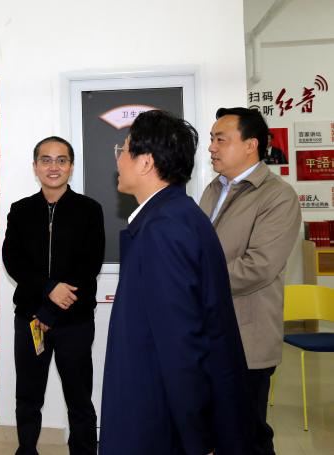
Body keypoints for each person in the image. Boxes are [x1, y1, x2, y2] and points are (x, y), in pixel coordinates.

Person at [100, 110, 252, 455]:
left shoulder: (163, 229)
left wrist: (199, 437)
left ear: (145, 162)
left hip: (159, 420)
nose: (118, 160)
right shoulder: (176, 215)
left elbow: (181, 344)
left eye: (123, 150)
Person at [200, 107, 301, 455]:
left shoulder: (277, 196)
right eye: (212, 139)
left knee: (247, 437)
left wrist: (195, 281)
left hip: (247, 340)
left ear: (250, 145)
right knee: (213, 434)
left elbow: (259, 266)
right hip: (208, 332)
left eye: (220, 139)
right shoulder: (213, 189)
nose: (211, 147)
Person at [2, 136, 105, 455]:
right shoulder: (20, 210)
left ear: (71, 167)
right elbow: (13, 260)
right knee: (28, 396)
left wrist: (51, 311)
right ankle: (26, 450)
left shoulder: (89, 210)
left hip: (74, 321)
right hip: (29, 319)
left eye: (61, 160)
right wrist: (48, 289)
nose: (53, 167)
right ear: (35, 167)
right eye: (46, 160)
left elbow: (89, 265)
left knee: (79, 398)